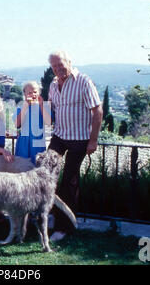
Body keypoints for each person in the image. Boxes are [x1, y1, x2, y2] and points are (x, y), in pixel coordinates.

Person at [47, 51, 103, 241]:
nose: (58, 69)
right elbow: (51, 112)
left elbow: (97, 111)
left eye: (61, 64)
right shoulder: (53, 85)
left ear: (69, 62)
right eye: (54, 66)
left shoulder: (83, 81)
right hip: (59, 136)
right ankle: (49, 215)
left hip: (79, 139)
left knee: (68, 181)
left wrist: (93, 140)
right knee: (45, 174)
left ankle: (64, 227)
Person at [13, 81, 51, 164]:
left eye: (35, 92)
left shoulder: (44, 107)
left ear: (39, 93)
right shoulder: (20, 107)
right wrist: (25, 107)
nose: (33, 95)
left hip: (38, 143)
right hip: (23, 143)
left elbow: (48, 122)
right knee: (21, 166)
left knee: (37, 167)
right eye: (29, 93)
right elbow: (17, 124)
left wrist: (41, 105)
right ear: (25, 94)